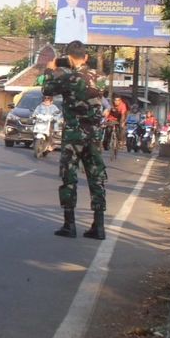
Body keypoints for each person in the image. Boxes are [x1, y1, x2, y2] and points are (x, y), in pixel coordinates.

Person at [42, 40, 108, 240]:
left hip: (74, 135)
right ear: (86, 57)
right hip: (95, 135)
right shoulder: (102, 78)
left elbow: (46, 90)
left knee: (69, 177)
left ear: (69, 58)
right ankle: (99, 225)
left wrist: (50, 70)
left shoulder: (68, 78)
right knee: (96, 177)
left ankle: (69, 224)